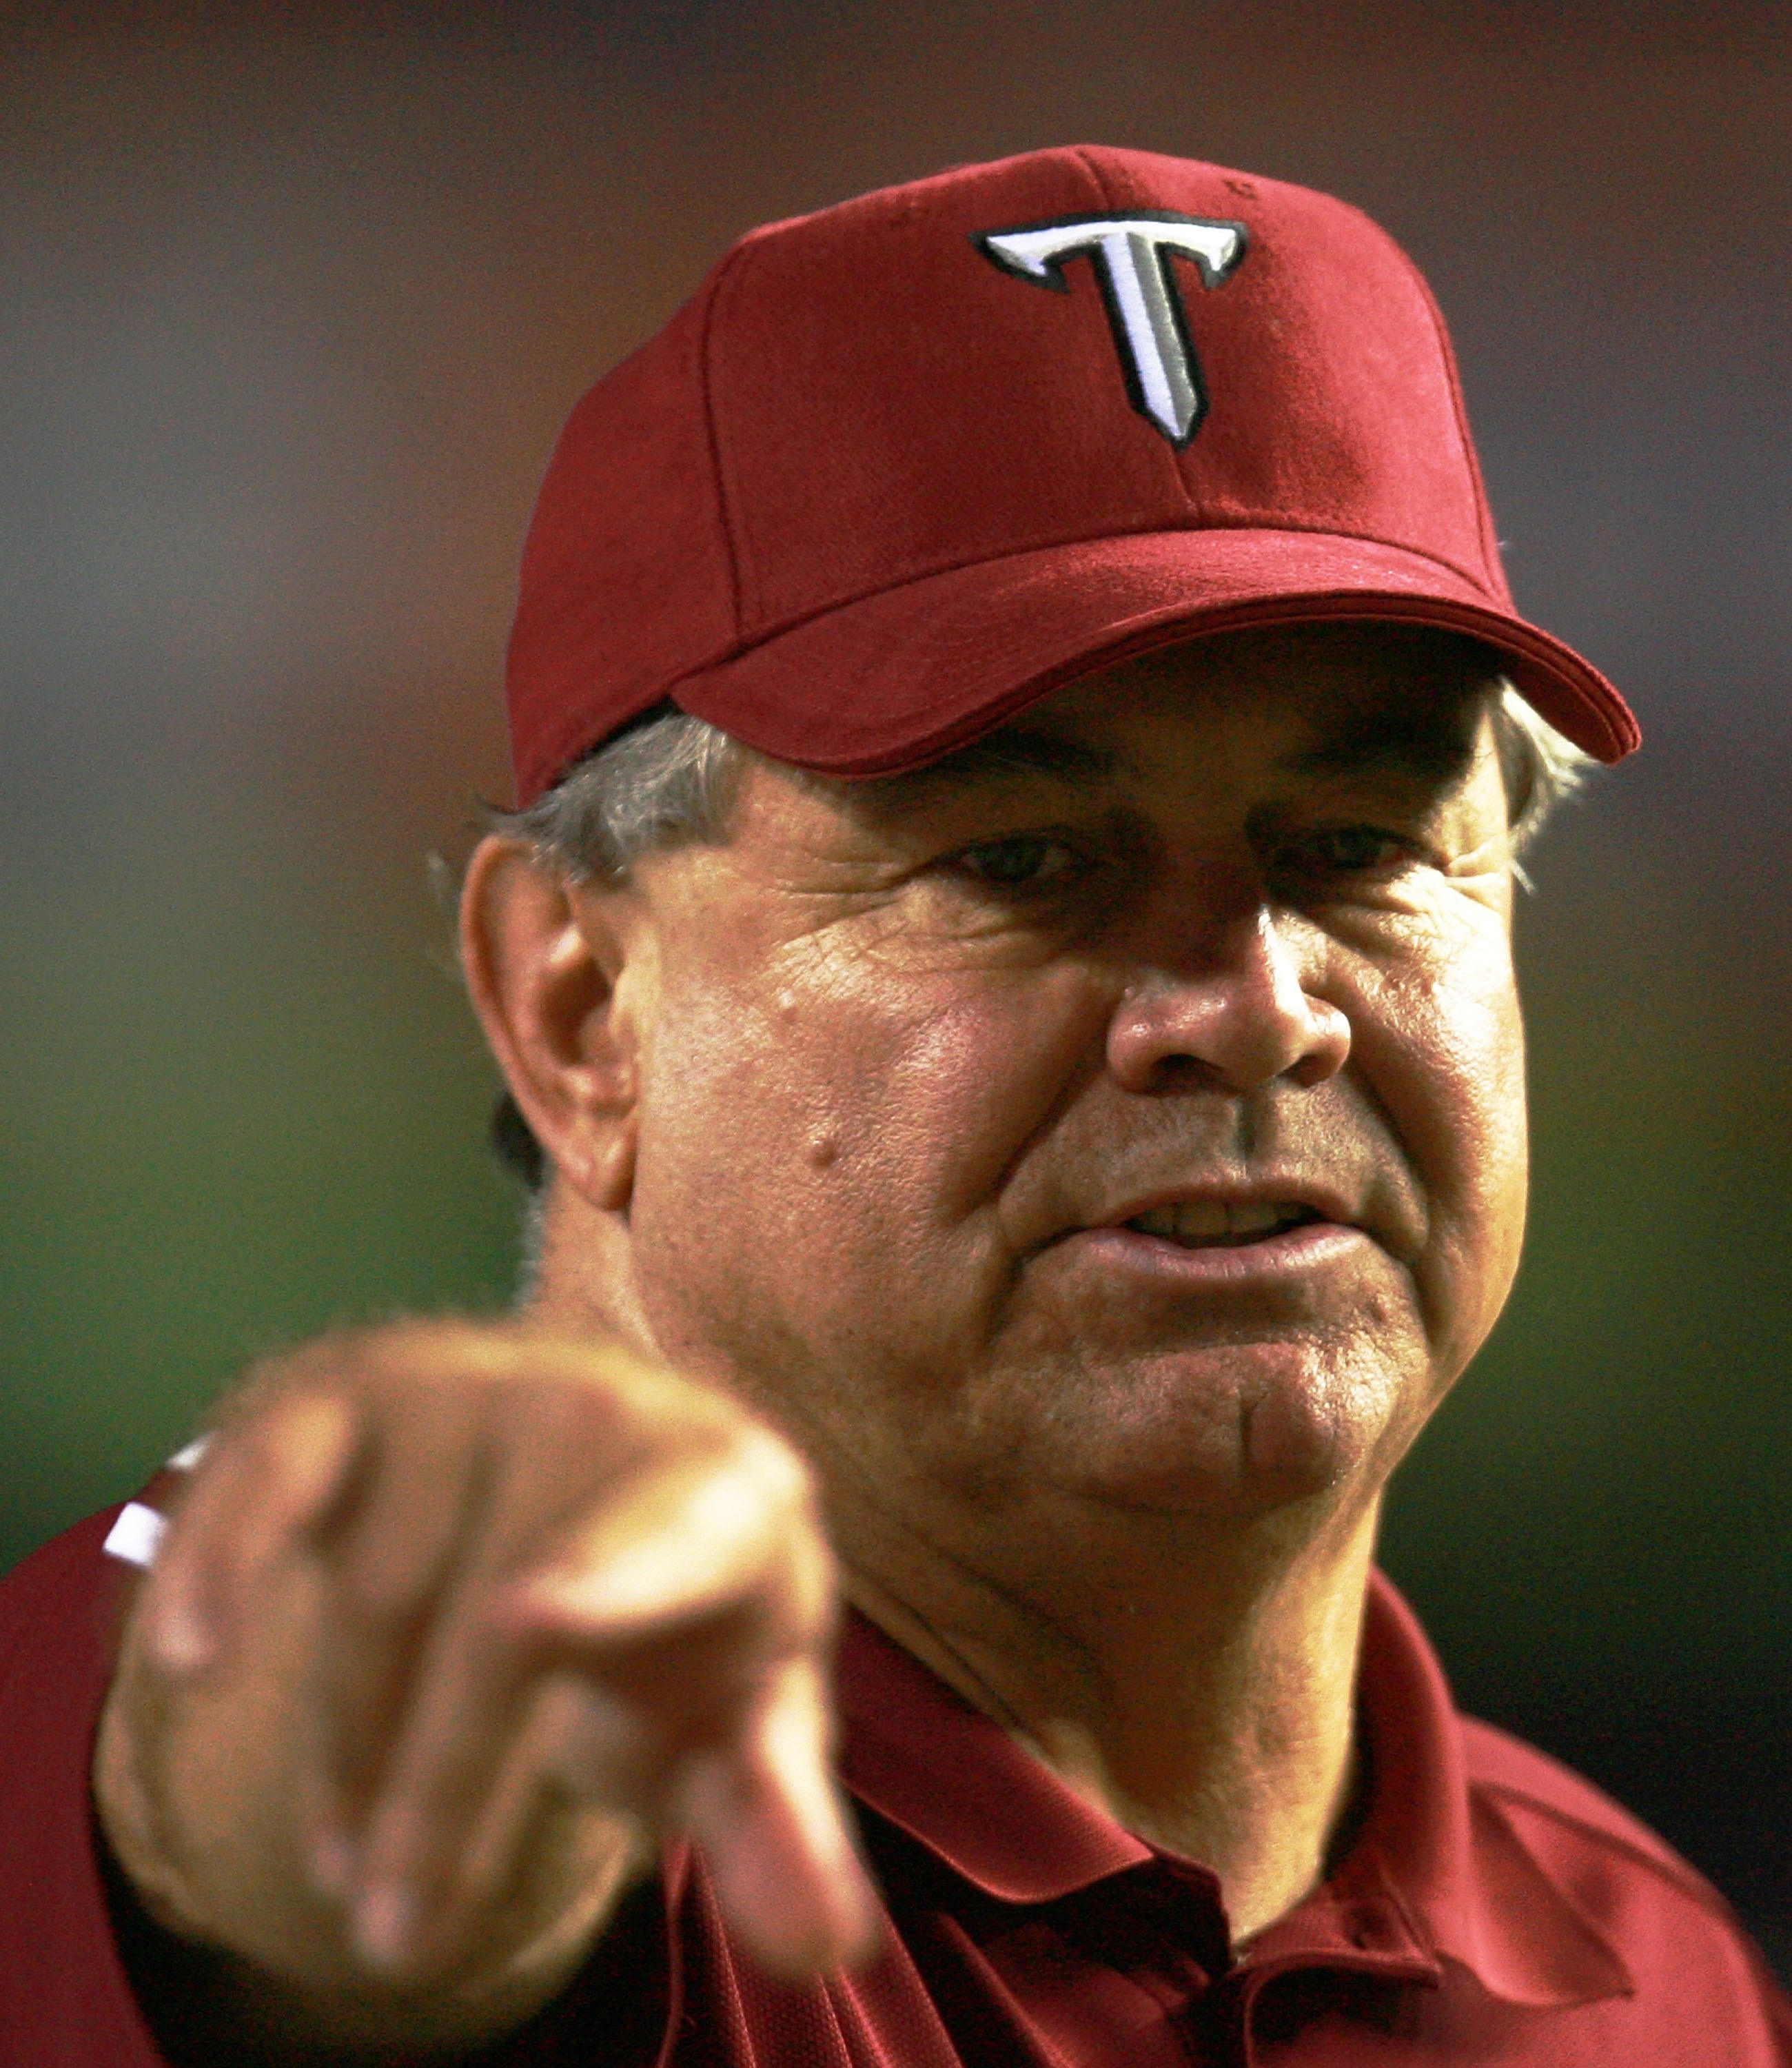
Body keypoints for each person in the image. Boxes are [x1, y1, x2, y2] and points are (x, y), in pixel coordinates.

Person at [1, 143, 1784, 2066]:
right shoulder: (441, 1764)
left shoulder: (1655, 1973)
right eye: (1024, 860)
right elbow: (262, 1828)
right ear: (581, 1005)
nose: (1254, 1011)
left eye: (1358, 848)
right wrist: (335, 1708)